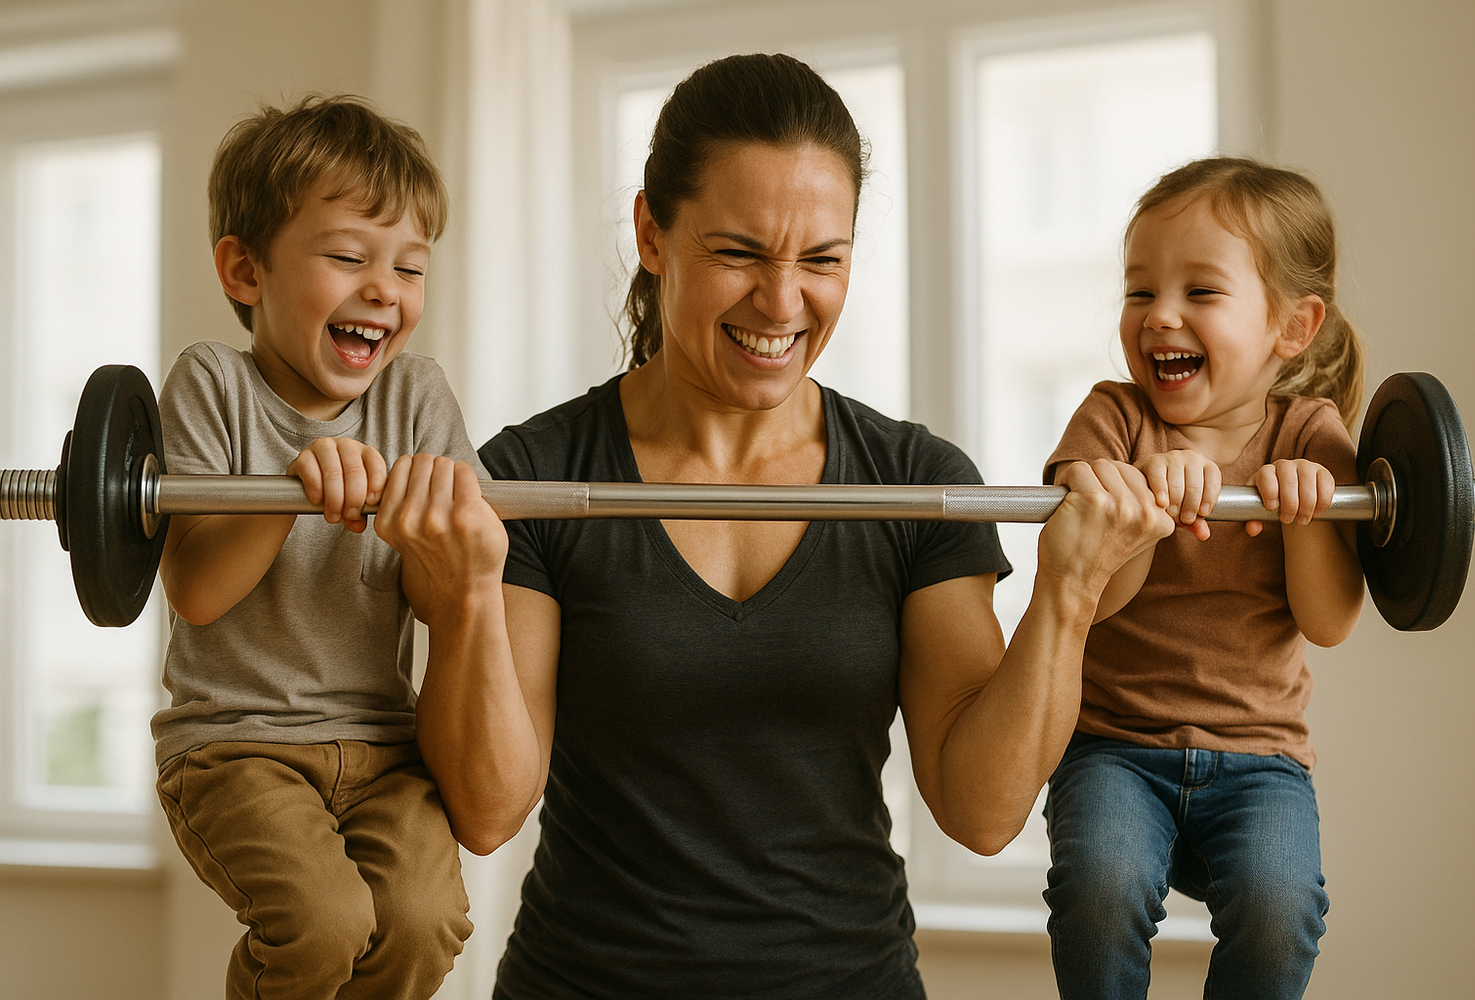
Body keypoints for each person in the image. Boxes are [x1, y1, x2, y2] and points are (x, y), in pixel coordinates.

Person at [370, 53, 1176, 1000]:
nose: (783, 302)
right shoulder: (534, 478)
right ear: (652, 233)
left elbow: (981, 811)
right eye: (740, 253)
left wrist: (1070, 596)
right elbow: (490, 809)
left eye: (822, 260)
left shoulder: (914, 482)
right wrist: (465, 594)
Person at [151, 95, 477, 1000]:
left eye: (409, 268)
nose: (384, 289)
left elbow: (441, 588)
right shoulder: (210, 383)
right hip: (237, 745)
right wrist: (291, 487)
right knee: (324, 920)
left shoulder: (417, 396)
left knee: (421, 921)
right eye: (347, 257)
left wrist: (433, 534)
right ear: (245, 271)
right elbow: (197, 591)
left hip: (383, 745)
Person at [1041, 157, 1367, 1000]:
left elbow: (1328, 622)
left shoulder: (1312, 433)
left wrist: (1304, 513)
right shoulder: (1112, 419)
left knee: (1281, 905)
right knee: (1100, 891)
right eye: (1140, 291)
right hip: (1115, 747)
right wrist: (1149, 503)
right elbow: (1090, 597)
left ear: (1291, 327)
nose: (1161, 317)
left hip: (1261, 760)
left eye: (1201, 293)